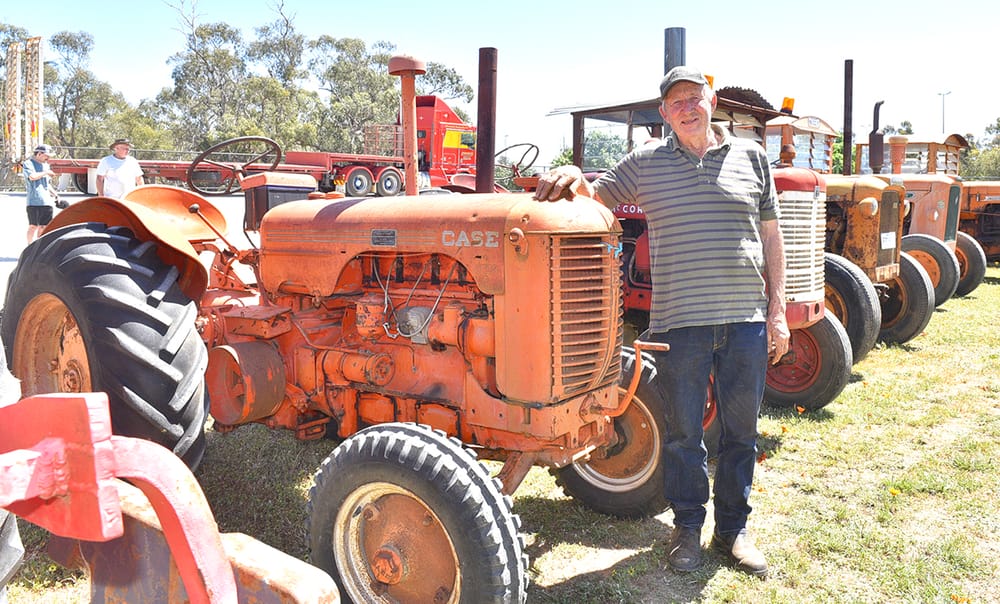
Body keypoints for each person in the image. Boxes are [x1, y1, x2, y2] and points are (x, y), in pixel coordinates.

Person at [533, 66, 789, 578]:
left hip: (745, 322)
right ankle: (688, 530)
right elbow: (594, 197)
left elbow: (771, 237)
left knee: (741, 435)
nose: (688, 108)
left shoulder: (753, 158)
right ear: (665, 113)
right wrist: (568, 174)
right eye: (676, 103)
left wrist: (778, 310)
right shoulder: (646, 162)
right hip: (680, 324)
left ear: (711, 100)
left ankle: (733, 531)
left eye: (695, 97)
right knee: (683, 436)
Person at [21, 143, 59, 243]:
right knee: (33, 226)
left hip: (47, 201)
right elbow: (32, 177)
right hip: (34, 201)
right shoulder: (28, 164)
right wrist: (46, 172)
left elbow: (46, 183)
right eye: (46, 156)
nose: (48, 158)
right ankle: (29, 247)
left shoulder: (46, 165)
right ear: (39, 154)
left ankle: (38, 247)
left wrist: (55, 194)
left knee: (44, 227)